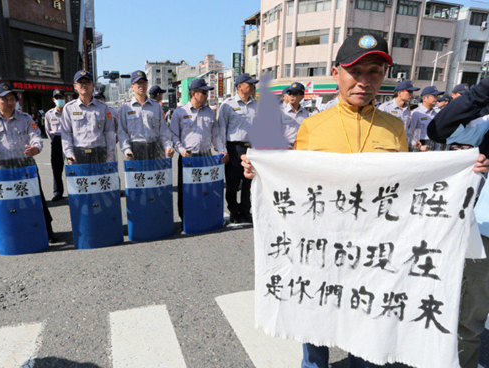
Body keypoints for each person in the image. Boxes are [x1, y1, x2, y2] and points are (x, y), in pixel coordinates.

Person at [241, 32, 422, 368]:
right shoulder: (313, 126)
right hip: (321, 249)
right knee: (315, 332)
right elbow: (295, 184)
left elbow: (407, 186)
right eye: (356, 71)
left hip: (373, 250)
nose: (364, 82)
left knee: (366, 336)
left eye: (374, 72)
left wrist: (463, 171)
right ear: (337, 72)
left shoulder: (395, 128)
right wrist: (261, 172)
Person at [428, 76, 489, 368]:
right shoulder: (485, 117)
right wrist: (482, 91)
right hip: (485, 233)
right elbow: (440, 130)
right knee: (467, 320)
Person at [0, 83, 57, 243]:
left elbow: (35, 136)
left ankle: (47, 230)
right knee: (9, 201)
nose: (9, 102)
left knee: (36, 199)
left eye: (12, 98)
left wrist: (36, 147)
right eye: (4, 99)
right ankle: (14, 231)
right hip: (3, 168)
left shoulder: (25, 118)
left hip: (25, 166)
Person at [169, 78, 228, 219]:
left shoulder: (210, 113)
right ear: (193, 94)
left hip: (206, 157)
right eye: (203, 92)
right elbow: (173, 135)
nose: (206, 95)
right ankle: (186, 219)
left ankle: (203, 217)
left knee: (205, 188)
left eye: (207, 92)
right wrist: (182, 150)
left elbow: (216, 135)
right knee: (186, 190)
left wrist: (222, 150)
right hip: (187, 157)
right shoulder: (180, 112)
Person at [218, 73, 258, 224]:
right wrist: (223, 150)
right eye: (250, 84)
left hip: (251, 148)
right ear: (240, 86)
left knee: (249, 182)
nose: (253, 87)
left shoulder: (256, 105)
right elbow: (221, 130)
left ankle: (245, 211)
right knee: (233, 183)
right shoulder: (227, 105)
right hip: (233, 148)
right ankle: (234, 211)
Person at [60, 71, 116, 165]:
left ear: (93, 85)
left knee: (101, 179)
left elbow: (109, 134)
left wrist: (110, 156)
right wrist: (69, 155)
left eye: (87, 82)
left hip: (100, 153)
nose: (84, 85)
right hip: (79, 155)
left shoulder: (103, 107)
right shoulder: (69, 108)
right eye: (81, 82)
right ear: (75, 86)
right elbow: (66, 134)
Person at [118, 70, 174, 161]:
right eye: (138, 83)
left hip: (155, 150)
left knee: (156, 175)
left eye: (144, 82)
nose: (141, 85)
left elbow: (163, 130)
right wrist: (127, 150)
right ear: (132, 86)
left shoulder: (156, 106)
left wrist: (168, 146)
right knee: (138, 175)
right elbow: (122, 132)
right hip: (134, 151)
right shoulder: (125, 108)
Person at [43, 89, 66, 201]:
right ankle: (58, 192)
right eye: (57, 98)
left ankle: (76, 189)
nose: (59, 100)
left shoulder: (70, 111)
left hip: (70, 139)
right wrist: (54, 140)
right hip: (56, 140)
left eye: (61, 98)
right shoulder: (49, 114)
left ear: (65, 99)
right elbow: (48, 130)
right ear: (53, 100)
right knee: (56, 168)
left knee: (74, 165)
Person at [408, 85, 444, 151]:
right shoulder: (416, 113)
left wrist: (438, 148)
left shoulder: (436, 114)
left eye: (437, 96)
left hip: (433, 145)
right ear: (424, 98)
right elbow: (410, 133)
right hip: (420, 145)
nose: (436, 98)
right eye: (434, 96)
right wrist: (415, 146)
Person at [281, 83, 310, 148]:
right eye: (290, 93)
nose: (291, 96)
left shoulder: (305, 113)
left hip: (301, 147)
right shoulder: (281, 111)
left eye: (295, 93)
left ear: (302, 96)